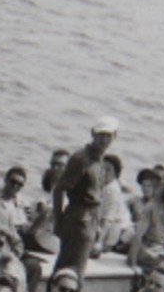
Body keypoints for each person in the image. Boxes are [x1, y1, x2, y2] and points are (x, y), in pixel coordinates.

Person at [51, 116, 120, 277]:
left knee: (72, 269)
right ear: (93, 134)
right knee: (71, 270)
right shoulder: (81, 159)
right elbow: (59, 189)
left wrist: (97, 227)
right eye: (101, 134)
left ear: (115, 137)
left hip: (90, 220)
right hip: (78, 220)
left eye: (109, 135)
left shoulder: (100, 160)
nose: (105, 139)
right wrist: (58, 222)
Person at [94, 154, 134, 254]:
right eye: (102, 168)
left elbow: (108, 219)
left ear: (115, 173)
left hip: (116, 232)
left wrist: (98, 243)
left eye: (108, 170)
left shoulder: (111, 189)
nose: (104, 172)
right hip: (108, 226)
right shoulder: (104, 184)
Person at [0, 166, 30, 235]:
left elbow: (22, 224)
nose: (15, 186)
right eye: (13, 182)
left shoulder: (21, 203)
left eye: (19, 184)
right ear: (5, 179)